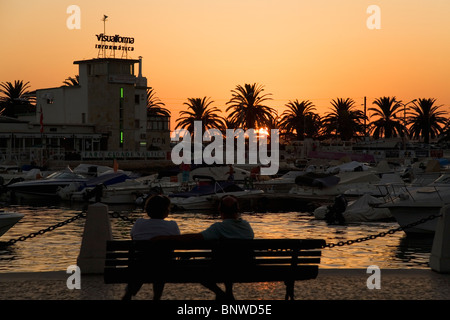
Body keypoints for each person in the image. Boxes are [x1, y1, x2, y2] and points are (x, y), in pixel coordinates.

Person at [154, 195, 254, 300]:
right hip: (246, 267)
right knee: (229, 259)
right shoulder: (247, 226)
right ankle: (228, 292)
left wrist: (167, 238)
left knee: (200, 268)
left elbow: (195, 238)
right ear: (237, 210)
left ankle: (220, 292)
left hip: (221, 268)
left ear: (220, 209)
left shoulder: (218, 228)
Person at [122, 194, 180, 300]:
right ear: (166, 211)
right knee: (160, 264)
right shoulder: (172, 225)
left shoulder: (139, 223)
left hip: (140, 265)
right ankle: (157, 296)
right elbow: (177, 241)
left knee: (143, 263)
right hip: (166, 267)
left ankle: (129, 293)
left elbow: (133, 237)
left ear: (148, 210)